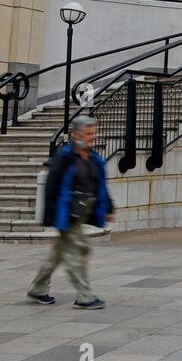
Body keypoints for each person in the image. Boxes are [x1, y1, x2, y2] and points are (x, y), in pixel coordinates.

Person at [28, 115, 113, 309]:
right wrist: (51, 216)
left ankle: (38, 288)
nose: (92, 137)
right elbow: (51, 188)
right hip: (66, 214)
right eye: (88, 133)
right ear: (75, 135)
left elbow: (100, 185)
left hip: (81, 212)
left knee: (58, 253)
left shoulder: (93, 159)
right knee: (77, 251)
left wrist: (109, 206)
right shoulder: (64, 158)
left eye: (94, 133)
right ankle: (85, 296)